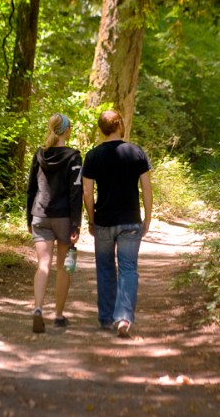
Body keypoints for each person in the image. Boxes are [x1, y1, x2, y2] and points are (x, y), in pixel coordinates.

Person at [82, 110, 152, 338]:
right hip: (130, 220)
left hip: (103, 221)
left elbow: (87, 192)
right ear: (120, 125)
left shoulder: (92, 156)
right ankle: (123, 318)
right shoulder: (136, 152)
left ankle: (105, 318)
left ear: (101, 128)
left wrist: (92, 219)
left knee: (105, 268)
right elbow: (147, 189)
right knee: (128, 268)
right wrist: (147, 218)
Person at [26, 113, 83, 333]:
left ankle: (38, 309)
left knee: (43, 265)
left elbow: (31, 188)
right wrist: (76, 224)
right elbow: (75, 192)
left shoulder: (39, 154)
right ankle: (58, 315)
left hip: (40, 215)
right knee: (63, 267)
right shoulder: (74, 156)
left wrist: (28, 219)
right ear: (67, 131)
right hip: (63, 218)